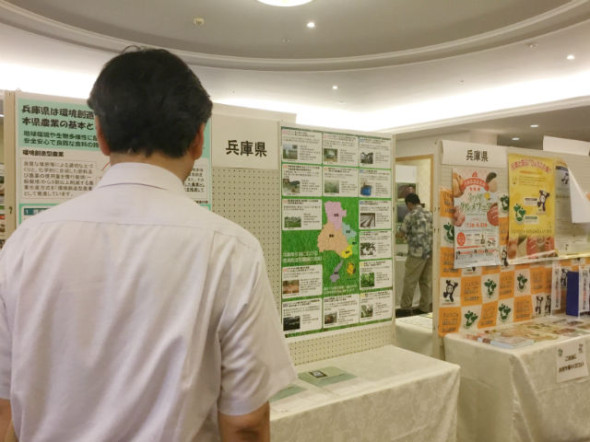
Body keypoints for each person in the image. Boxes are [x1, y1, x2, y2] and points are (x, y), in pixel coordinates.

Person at [0, 48, 296, 441]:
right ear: (198, 139)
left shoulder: (25, 243)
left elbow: (5, 408)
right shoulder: (231, 250)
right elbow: (246, 423)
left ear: (101, 135)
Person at [395, 193, 433, 317]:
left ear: (410, 204)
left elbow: (401, 233)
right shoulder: (429, 214)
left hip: (416, 254)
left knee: (410, 281)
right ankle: (424, 307)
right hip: (430, 252)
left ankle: (406, 308)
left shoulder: (410, 215)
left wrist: (394, 234)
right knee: (426, 281)